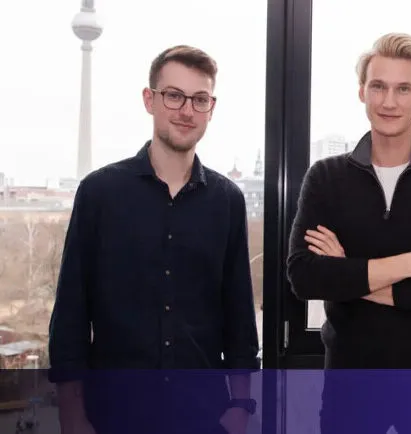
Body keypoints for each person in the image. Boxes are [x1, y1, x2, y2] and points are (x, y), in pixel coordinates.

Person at [48, 45, 260, 434]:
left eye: (200, 100)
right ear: (150, 100)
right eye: (174, 96)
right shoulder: (100, 193)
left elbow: (239, 315)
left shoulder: (228, 200)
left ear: (211, 108)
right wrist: (71, 413)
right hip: (113, 413)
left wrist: (241, 407)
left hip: (203, 415)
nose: (186, 111)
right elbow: (72, 314)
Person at [286, 33, 411, 433]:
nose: (389, 102)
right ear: (362, 92)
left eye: (403, 89)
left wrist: (349, 276)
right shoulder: (326, 178)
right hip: (349, 385)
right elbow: (304, 276)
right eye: (378, 87)